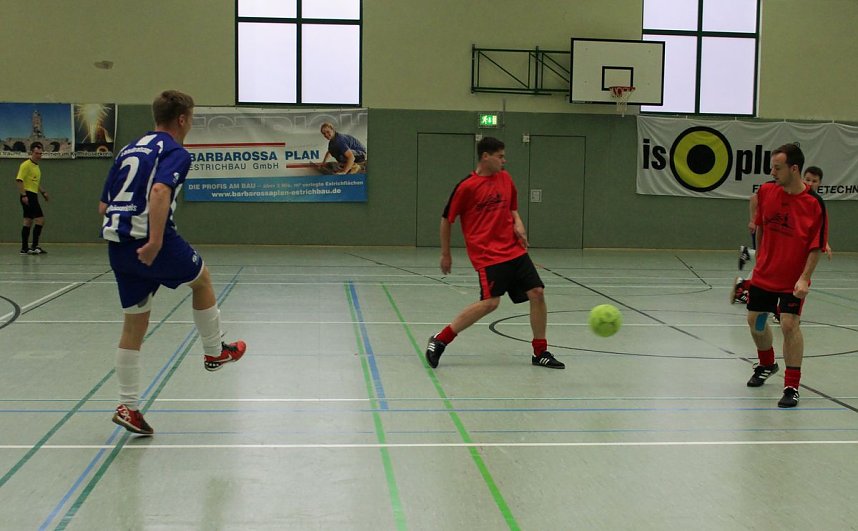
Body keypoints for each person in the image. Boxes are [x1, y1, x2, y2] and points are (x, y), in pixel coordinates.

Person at [99, 90, 247, 435]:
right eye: (191, 118)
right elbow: (160, 191)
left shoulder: (128, 149)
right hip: (150, 240)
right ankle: (215, 352)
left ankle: (128, 406)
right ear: (182, 119)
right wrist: (155, 240)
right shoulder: (175, 151)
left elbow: (104, 206)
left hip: (117, 245)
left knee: (133, 325)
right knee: (202, 280)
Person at [425, 136, 564, 370]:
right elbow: (446, 220)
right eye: (500, 156)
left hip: (515, 250)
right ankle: (440, 339)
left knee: (537, 293)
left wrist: (518, 223)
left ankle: (540, 352)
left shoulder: (506, 178)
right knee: (490, 303)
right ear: (485, 156)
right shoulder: (466, 187)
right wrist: (446, 253)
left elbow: (512, 208)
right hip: (487, 255)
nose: (504, 160)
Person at [744, 143, 827, 408]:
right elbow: (761, 227)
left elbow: (816, 245)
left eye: (777, 168)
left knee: (790, 325)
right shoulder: (767, 192)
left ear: (794, 169)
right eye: (772, 167)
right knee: (756, 322)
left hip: (793, 280)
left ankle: (791, 385)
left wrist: (804, 278)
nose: (772, 172)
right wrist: (759, 257)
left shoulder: (814, 203)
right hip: (765, 275)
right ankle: (767, 364)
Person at [15, 143, 50, 254]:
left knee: (28, 221)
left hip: (33, 194)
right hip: (28, 195)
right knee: (40, 219)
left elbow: (35, 182)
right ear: (31, 153)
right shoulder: (25, 165)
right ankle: (35, 246)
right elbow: (19, 180)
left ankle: (24, 248)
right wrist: (23, 195)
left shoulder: (36, 167)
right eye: (36, 153)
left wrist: (43, 192)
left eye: (40, 154)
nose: (39, 155)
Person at [802, 166, 832, 260]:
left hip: (805, 242)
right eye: (807, 180)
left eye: (814, 181)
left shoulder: (818, 202)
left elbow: (821, 226)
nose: (810, 184)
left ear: (819, 183)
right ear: (802, 179)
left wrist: (825, 243)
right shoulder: (793, 195)